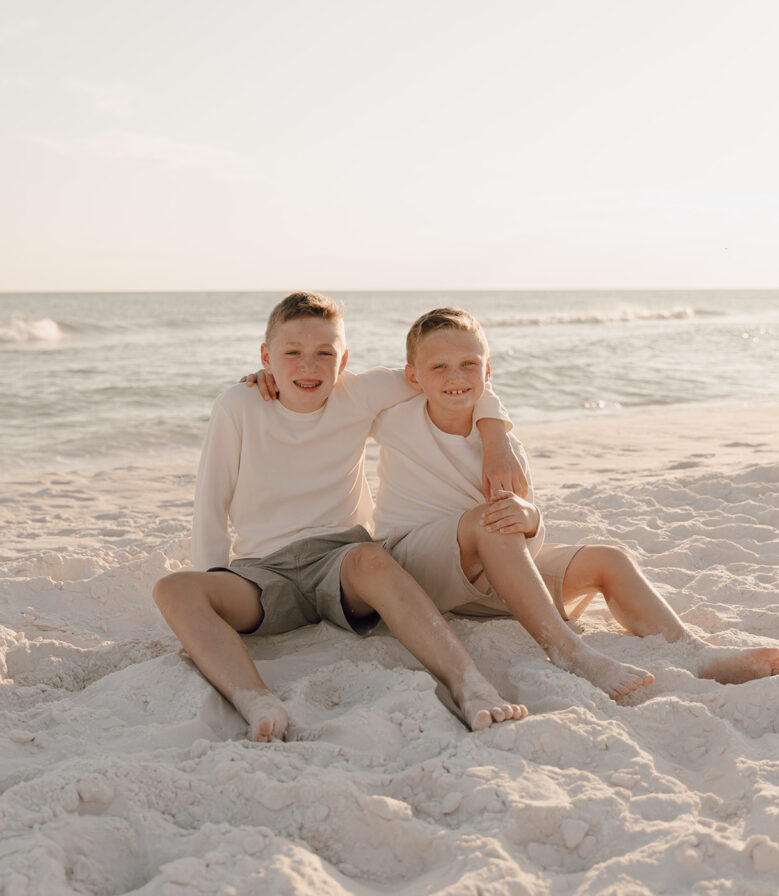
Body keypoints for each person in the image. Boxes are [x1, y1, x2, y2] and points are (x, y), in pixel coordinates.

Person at [153, 292, 527, 743]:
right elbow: (210, 502)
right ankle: (256, 700)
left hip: (344, 564)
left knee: (371, 557)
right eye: (291, 353)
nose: (308, 366)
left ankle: (469, 685)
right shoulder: (237, 405)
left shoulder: (359, 392)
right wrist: (212, 588)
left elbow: (458, 374)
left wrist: (495, 434)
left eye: (324, 354)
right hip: (263, 575)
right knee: (173, 589)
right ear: (265, 356)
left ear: (343, 358)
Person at [370, 307, 779, 696]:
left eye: (469, 364)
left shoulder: (503, 445)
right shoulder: (394, 416)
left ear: (488, 371)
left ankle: (693, 653)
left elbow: (525, 537)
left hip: (490, 580)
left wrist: (529, 516)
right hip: (418, 570)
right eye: (438, 367)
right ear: (413, 377)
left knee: (609, 558)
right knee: (489, 520)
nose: (454, 376)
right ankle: (569, 649)